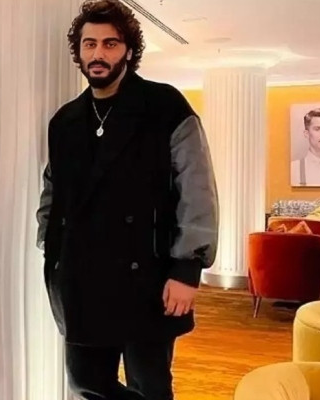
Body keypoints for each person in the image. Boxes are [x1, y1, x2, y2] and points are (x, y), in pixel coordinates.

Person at [36, 1, 219, 399]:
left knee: (149, 385)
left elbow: (196, 188)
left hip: (148, 275)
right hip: (82, 277)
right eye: (89, 44)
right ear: (79, 51)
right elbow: (53, 190)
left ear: (129, 50)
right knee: (84, 383)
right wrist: (49, 243)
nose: (98, 54)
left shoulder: (165, 106)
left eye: (110, 43)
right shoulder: (65, 121)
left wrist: (187, 267)